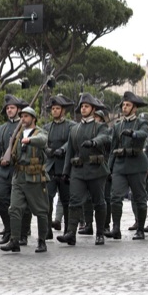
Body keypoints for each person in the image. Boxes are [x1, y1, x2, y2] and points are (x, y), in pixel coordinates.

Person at [60, 94, 112, 246]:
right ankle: (71, 233)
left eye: (87, 106)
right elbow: (70, 151)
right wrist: (65, 171)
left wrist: (94, 142)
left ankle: (100, 233)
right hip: (78, 170)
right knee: (74, 201)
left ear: (93, 109)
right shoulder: (74, 129)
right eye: (82, 106)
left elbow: (105, 137)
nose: (83, 108)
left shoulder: (100, 126)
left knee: (99, 202)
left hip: (96, 170)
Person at [2, 107, 50, 253]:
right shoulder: (17, 134)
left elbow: (43, 141)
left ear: (33, 118)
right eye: (22, 116)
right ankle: (14, 240)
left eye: (26, 116)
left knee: (41, 210)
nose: (23, 118)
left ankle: (42, 241)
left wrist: (29, 140)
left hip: (34, 177)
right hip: (18, 176)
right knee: (14, 209)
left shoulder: (40, 132)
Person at [107, 92, 148, 240]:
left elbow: (144, 134)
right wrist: (109, 168)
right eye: (123, 105)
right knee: (115, 197)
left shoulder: (141, 122)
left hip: (137, 163)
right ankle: (116, 228)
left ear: (135, 108)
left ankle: (140, 229)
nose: (124, 108)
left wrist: (132, 133)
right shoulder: (117, 126)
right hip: (120, 164)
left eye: (128, 105)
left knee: (139, 198)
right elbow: (113, 148)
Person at [0, 94, 27, 242]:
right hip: (3, 171)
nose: (10, 110)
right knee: (0, 199)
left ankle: (22, 234)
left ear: (18, 109)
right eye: (8, 108)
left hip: (19, 170)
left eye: (12, 107)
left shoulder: (24, 127)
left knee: (21, 205)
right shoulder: (3, 129)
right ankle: (8, 228)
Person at [43, 95, 76, 241]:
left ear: (63, 110)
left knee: (66, 199)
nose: (55, 111)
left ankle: (69, 230)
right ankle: (47, 229)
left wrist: (62, 149)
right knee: (47, 198)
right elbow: (42, 141)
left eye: (57, 108)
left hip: (64, 167)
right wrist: (47, 150)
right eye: (53, 109)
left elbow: (72, 141)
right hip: (50, 167)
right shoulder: (46, 127)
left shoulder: (71, 126)